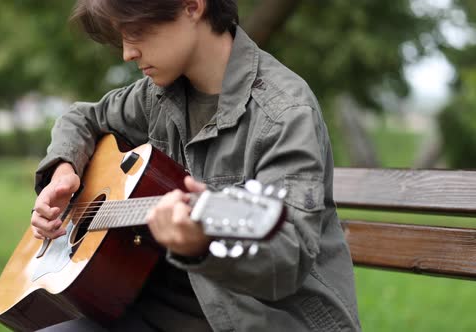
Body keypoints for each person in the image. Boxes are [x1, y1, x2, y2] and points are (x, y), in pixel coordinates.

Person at [31, 0, 361, 331]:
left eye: (135, 32)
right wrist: (63, 172)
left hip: (266, 320)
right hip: (158, 307)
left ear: (192, 7)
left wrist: (201, 247)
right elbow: (82, 117)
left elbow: (288, 261)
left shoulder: (283, 113)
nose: (127, 53)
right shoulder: (157, 95)